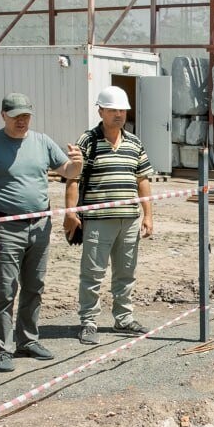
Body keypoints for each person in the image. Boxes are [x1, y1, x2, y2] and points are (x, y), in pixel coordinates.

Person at [0, 93, 83, 372]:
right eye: (16, 116)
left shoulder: (42, 142)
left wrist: (77, 162)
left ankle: (28, 340)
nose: (22, 121)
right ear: (3, 115)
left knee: (34, 286)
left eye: (26, 116)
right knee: (5, 290)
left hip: (40, 225)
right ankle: (2, 348)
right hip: (6, 227)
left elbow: (68, 171)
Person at [63, 86, 155, 345]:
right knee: (92, 273)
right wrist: (71, 213)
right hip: (98, 220)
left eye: (122, 110)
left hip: (129, 219)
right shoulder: (87, 142)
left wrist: (148, 215)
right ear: (100, 110)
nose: (118, 114)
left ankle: (123, 318)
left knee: (126, 272)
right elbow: (72, 179)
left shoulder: (134, 143)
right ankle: (89, 321)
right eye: (113, 110)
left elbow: (143, 180)